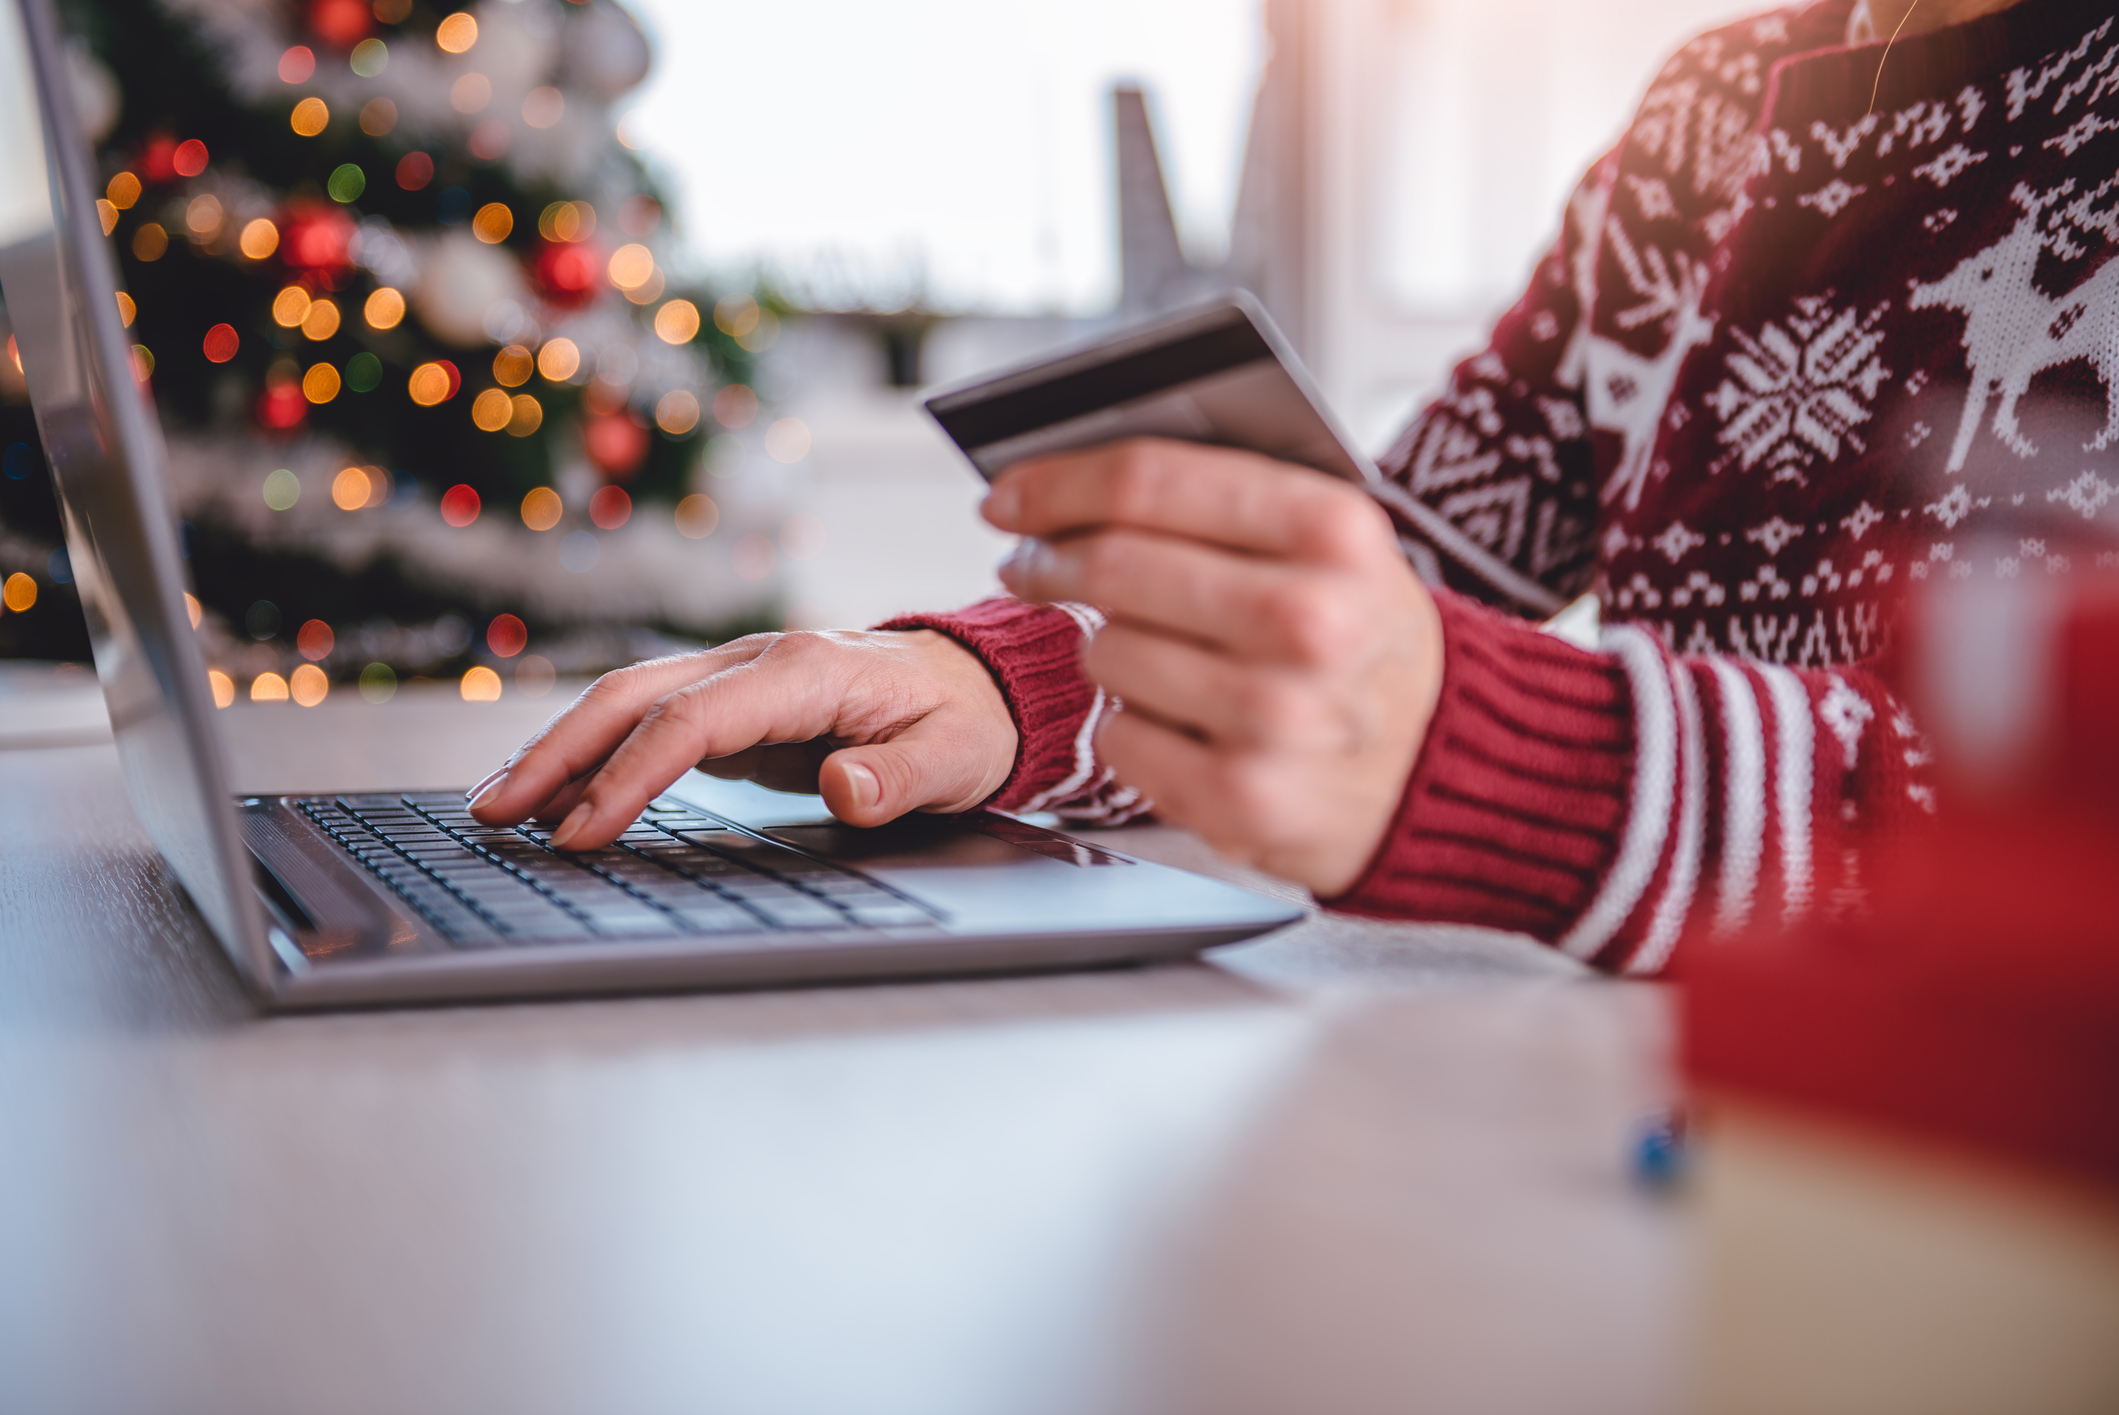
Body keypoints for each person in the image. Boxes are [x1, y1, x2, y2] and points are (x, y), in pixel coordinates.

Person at [471, 0, 2110, 974]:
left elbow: (2067, 835)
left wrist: (1515, 759)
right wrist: (1000, 682)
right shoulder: (1710, 112)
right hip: (1617, 1121)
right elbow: (1426, 563)